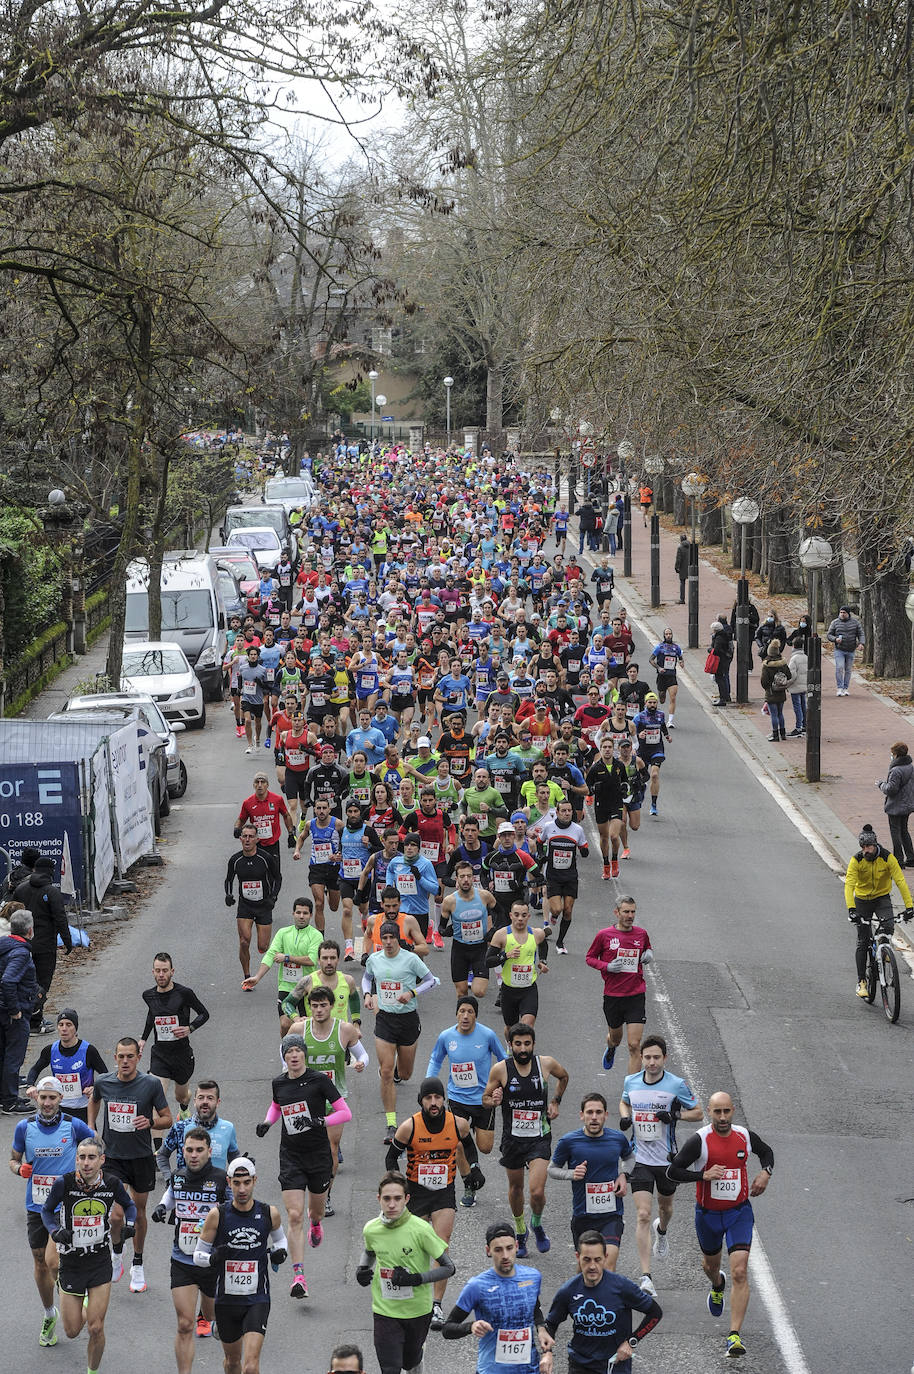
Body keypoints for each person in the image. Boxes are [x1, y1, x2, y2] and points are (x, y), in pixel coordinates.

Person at [667, 1092, 775, 1360]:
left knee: (739, 1270)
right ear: (710, 1113)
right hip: (708, 1215)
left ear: (733, 1110)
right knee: (710, 1266)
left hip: (738, 1213)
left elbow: (767, 1152)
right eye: (718, 1112)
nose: (723, 1117)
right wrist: (702, 1175)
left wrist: (766, 1172)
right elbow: (673, 1172)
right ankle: (717, 1285)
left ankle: (734, 1335)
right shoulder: (700, 1140)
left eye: (727, 1111)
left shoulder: (744, 1136)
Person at [254, 1032, 352, 1298]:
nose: (294, 1055)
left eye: (298, 1051)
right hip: (291, 1155)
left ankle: (316, 1222)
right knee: (294, 1215)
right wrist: (267, 1122)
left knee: (314, 1212)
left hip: (319, 1155)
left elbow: (345, 1112)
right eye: (289, 1052)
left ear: (304, 1055)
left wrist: (321, 1122)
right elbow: (276, 1106)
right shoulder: (279, 1083)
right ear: (284, 1057)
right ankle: (299, 1277)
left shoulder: (319, 1080)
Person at [386, 1077, 482, 1328]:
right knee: (414, 1248)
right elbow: (391, 1159)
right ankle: (411, 1298)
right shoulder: (410, 1127)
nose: (433, 1102)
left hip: (443, 1193)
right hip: (416, 1193)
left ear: (443, 1100)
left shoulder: (457, 1124)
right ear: (421, 1101)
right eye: (428, 1098)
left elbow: (469, 1147)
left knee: (441, 1247)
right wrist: (398, 1186)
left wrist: (473, 1170)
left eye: (437, 1097)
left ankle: (436, 1305)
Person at [10, 1075, 95, 1348]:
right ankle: (49, 1314)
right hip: (36, 1205)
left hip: (65, 1205)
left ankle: (75, 1294)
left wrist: (86, 1172)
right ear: (37, 1098)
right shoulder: (24, 1127)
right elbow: (14, 1159)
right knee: (39, 1263)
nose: (47, 1102)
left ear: (60, 1100)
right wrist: (19, 1168)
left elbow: (96, 1149)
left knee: (53, 1262)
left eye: (52, 1097)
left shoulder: (74, 1126)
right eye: (43, 1097)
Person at [41, 1134, 137, 1373]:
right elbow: (45, 1210)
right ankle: (78, 1298)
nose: (86, 1163)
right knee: (72, 1331)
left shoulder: (112, 1184)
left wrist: (131, 1224)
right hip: (72, 1262)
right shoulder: (64, 1183)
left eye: (91, 1158)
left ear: (101, 1160)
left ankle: (92, 1371)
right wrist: (55, 1230)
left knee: (96, 1328)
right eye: (82, 1157)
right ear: (76, 1160)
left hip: (99, 1261)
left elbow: (130, 1205)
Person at [89, 1035, 173, 1293]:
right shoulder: (104, 1081)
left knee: (137, 1212)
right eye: (121, 1056)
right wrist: (92, 1126)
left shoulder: (150, 1085)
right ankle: (116, 1254)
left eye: (130, 1056)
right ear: (115, 1058)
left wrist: (150, 1123)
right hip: (113, 1158)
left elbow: (167, 1119)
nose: (125, 1061)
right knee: (115, 1214)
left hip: (141, 1157)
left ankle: (137, 1263)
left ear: (138, 1058)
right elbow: (94, 1099)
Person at [619, 1035, 702, 1296]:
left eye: (657, 1057)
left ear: (665, 1058)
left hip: (667, 1160)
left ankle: (662, 1231)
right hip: (639, 1158)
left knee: (665, 1208)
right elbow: (624, 1102)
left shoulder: (676, 1084)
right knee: (643, 1214)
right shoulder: (631, 1081)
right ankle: (646, 1277)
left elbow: (698, 1112)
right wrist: (625, 1117)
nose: (652, 1062)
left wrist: (675, 1115)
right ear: (641, 1058)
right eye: (647, 1057)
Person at [192, 1157, 287, 1374]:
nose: (242, 1189)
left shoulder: (268, 1213)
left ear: (255, 1180)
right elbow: (198, 1254)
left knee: (250, 1366)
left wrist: (280, 1253)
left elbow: (280, 1240)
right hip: (226, 1300)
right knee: (233, 1363)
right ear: (229, 1182)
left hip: (258, 1298)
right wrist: (213, 1258)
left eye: (246, 1182)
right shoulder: (218, 1215)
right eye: (236, 1183)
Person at [357, 1170, 456, 1374]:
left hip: (417, 1311)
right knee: (391, 1368)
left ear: (407, 1199)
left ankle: (417, 1359)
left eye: (397, 1198)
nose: (392, 1204)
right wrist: (362, 1269)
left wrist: (416, 1279)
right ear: (379, 1199)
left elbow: (449, 1268)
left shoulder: (421, 1229)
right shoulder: (371, 1229)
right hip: (384, 1310)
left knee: (410, 1363)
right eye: (386, 1199)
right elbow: (369, 1251)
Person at [482, 1022, 568, 1256]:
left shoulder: (546, 1064)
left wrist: (555, 1101)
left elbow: (564, 1077)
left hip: (539, 1137)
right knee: (516, 1188)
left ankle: (536, 1224)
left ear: (533, 1044)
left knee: (537, 1191)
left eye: (527, 1044)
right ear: (510, 1045)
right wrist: (495, 1099)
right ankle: (521, 1232)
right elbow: (485, 1099)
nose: (522, 1048)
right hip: (512, 1139)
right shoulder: (501, 1069)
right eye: (517, 1044)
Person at [286, 984, 367, 1213]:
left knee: (330, 1149)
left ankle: (325, 1194)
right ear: (309, 1007)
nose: (319, 1010)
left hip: (334, 1100)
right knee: (302, 1149)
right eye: (314, 1006)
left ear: (332, 1006)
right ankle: (304, 1187)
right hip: (305, 1099)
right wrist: (287, 1073)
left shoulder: (345, 1030)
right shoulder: (299, 1029)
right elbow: (284, 1054)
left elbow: (363, 1054)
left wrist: (362, 1063)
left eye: (323, 1005)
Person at [152, 1125, 228, 1356]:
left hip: (212, 1260)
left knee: (213, 1314)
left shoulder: (221, 1179)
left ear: (209, 1151)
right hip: (182, 1258)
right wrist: (162, 1206)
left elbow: (235, 1210)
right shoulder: (178, 1176)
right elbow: (172, 1194)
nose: (193, 1155)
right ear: (182, 1151)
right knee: (184, 1325)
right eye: (189, 1150)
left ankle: (210, 1318)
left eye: (199, 1150)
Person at [441, 1220, 555, 1373]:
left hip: (529, 1369)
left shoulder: (532, 1278)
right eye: (498, 1250)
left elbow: (533, 1307)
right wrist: (471, 1326)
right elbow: (447, 1329)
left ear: (516, 1246)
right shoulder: (477, 1286)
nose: (505, 1255)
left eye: (509, 1248)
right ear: (488, 1251)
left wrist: (541, 1328)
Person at [545, 1230, 663, 1373]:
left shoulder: (621, 1287)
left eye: (597, 1259)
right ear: (578, 1257)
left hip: (615, 1365)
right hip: (580, 1365)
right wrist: (547, 1353)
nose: (592, 1266)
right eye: (587, 1259)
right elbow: (551, 1324)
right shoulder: (568, 1291)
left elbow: (655, 1312)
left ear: (605, 1258)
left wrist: (632, 1341)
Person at [426, 995, 506, 1203]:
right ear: (456, 1014)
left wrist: (503, 1086)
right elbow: (435, 1059)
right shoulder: (446, 1037)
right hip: (456, 1098)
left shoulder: (487, 1035)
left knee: (486, 1147)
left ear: (476, 1016)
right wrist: (429, 1086)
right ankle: (469, 1182)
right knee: (457, 1144)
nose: (465, 1016)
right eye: (462, 1011)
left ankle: (474, 1160)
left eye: (470, 1012)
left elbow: (504, 1060)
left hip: (483, 1099)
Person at [362, 922, 438, 1143]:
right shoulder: (374, 959)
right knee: (385, 1072)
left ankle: (396, 1072)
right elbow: (367, 978)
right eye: (383, 938)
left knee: (404, 1074)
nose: (387, 942)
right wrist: (367, 995)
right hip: (385, 1019)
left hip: (407, 1020)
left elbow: (431, 981)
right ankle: (391, 1124)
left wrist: (412, 993)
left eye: (390, 938)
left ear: (397, 939)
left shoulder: (410, 959)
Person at [548, 1092, 634, 1271]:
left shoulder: (617, 1139)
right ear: (582, 1115)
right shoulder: (569, 1141)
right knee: (586, 1270)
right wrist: (571, 1174)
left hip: (611, 1215)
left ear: (606, 1115)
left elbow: (630, 1158)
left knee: (608, 1265)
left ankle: (607, 1298)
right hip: (583, 1217)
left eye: (598, 1112)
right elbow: (552, 1169)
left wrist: (624, 1175)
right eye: (589, 1112)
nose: (594, 1117)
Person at [138, 952, 209, 1121]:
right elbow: (152, 1016)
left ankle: (184, 1108)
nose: (161, 975)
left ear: (172, 971)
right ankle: (157, 1147)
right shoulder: (148, 995)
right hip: (160, 1055)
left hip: (181, 1055)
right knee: (156, 1097)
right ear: (153, 972)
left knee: (181, 1096)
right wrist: (143, 1039)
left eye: (164, 970)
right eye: (158, 971)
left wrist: (189, 1028)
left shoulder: (184, 993)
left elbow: (204, 1014)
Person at [844, 823, 913, 997]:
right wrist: (851, 909)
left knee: (889, 926)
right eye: (863, 847)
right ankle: (861, 982)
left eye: (869, 846)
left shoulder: (888, 858)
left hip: (882, 898)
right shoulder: (857, 860)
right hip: (862, 901)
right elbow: (849, 885)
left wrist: (909, 906)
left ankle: (883, 949)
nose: (866, 850)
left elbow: (900, 881)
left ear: (875, 844)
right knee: (862, 941)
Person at [585, 895, 653, 1073]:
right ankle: (612, 1047)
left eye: (633, 912)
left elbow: (647, 948)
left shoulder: (641, 933)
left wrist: (649, 953)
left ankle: (632, 1092)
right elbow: (590, 958)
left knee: (634, 1045)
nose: (630, 916)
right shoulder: (604, 935)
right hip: (613, 996)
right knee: (616, 1038)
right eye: (626, 912)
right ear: (616, 913)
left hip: (636, 995)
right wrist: (606, 966)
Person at [241, 896, 323, 1028]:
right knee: (285, 1024)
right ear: (293, 914)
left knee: (307, 1027)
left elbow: (311, 960)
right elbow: (271, 955)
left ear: (311, 915)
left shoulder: (316, 935)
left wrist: (287, 958)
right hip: (286, 987)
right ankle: (286, 1048)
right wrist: (257, 977)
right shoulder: (283, 933)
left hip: (308, 988)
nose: (301, 916)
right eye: (298, 912)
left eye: (305, 913)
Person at [15, 855, 72, 1032]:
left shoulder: (21, 889)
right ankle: (35, 1023)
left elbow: (11, 913)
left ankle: (24, 1018)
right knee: (42, 984)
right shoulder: (51, 892)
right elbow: (60, 918)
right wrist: (68, 941)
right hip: (45, 947)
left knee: (25, 983)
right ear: (50, 872)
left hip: (22, 945)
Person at [25, 1008, 107, 1122]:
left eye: (69, 1025)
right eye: (61, 1024)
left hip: (84, 1108)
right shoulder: (50, 1050)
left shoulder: (88, 1050)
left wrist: (95, 1088)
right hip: (59, 1107)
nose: (64, 1029)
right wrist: (30, 1086)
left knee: (87, 1139)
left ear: (75, 1028)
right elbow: (35, 1069)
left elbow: (106, 1075)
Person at [224, 823, 278, 979]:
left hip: (264, 905)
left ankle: (260, 950)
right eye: (245, 836)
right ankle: (247, 975)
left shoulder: (265, 858)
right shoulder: (235, 859)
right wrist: (228, 895)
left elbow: (277, 878)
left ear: (257, 839)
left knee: (263, 947)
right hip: (245, 905)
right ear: (240, 839)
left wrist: (273, 897)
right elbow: (228, 880)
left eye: (251, 836)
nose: (247, 840)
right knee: (244, 942)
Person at [535, 799, 589, 953]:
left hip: (570, 875)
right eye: (563, 811)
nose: (567, 814)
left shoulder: (577, 829)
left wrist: (584, 850)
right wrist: (540, 854)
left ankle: (560, 942)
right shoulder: (548, 827)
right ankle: (553, 915)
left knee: (568, 910)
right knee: (557, 909)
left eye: (569, 811)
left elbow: (584, 848)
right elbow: (539, 842)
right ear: (557, 813)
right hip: (553, 875)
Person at [485, 901, 550, 1030]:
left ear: (528, 916)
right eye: (517, 915)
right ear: (511, 916)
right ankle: (510, 1047)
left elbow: (543, 944)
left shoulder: (536, 934)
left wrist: (543, 961)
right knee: (511, 1028)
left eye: (524, 915)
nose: (520, 918)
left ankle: (525, 1050)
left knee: (527, 1025)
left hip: (529, 989)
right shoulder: (501, 935)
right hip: (509, 990)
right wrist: (505, 955)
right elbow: (488, 961)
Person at [0, 907, 39, 1113]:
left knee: (3, 1055)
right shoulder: (21, 953)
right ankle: (10, 1101)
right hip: (13, 1012)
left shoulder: (4, 945)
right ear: (30, 931)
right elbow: (8, 980)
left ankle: (5, 1096)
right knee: (13, 1057)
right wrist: (15, 1009)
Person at [157, 1080, 240, 1175]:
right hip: (186, 1188)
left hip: (217, 1188)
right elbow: (162, 1155)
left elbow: (234, 1157)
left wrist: (242, 1165)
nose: (205, 1102)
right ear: (195, 1101)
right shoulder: (181, 1128)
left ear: (218, 1102)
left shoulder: (227, 1128)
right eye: (201, 1098)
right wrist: (169, 1180)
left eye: (210, 1098)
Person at [440, 861, 497, 997]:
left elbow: (499, 912)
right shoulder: (449, 901)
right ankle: (467, 1017)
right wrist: (445, 931)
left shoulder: (484, 896)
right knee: (462, 992)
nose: (466, 880)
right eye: (462, 876)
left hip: (480, 949)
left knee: (479, 991)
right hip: (460, 950)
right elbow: (441, 926)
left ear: (473, 877)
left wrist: (494, 929)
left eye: (469, 876)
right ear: (457, 879)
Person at [586, 739, 629, 880]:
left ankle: (615, 860)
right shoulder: (595, 768)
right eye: (604, 747)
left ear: (613, 749)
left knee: (613, 836)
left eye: (610, 747)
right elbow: (588, 789)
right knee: (604, 837)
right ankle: (606, 865)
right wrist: (593, 789)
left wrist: (624, 788)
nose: (607, 749)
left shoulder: (619, 765)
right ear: (601, 749)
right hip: (601, 805)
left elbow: (625, 782)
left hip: (616, 804)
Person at [877, 742, 914, 867]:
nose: (891, 756)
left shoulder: (896, 771)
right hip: (907, 805)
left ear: (896, 754)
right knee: (904, 830)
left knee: (895, 831)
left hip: (895, 806)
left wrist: (881, 784)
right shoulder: (910, 767)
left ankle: (898, 860)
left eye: (892, 753)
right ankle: (911, 857)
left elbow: (891, 789)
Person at [632, 693, 669, 818]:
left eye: (654, 703)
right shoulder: (639, 717)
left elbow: (662, 725)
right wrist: (638, 735)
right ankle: (642, 788)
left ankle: (653, 805)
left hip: (656, 749)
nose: (652, 705)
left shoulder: (661, 714)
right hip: (642, 750)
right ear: (645, 703)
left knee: (654, 775)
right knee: (640, 777)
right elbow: (630, 732)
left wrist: (667, 735)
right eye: (650, 702)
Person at [826, 604, 864, 696]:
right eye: (841, 612)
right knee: (839, 667)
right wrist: (835, 639)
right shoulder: (835, 622)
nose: (842, 614)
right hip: (839, 649)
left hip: (851, 649)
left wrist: (861, 643)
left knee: (848, 670)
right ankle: (839, 688)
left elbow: (861, 633)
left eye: (844, 613)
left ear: (848, 613)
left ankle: (845, 688)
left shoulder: (855, 622)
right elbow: (829, 635)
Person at [760, 643, 790, 742]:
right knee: (780, 713)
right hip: (781, 691)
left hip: (771, 692)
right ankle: (783, 733)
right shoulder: (783, 663)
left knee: (774, 714)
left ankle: (775, 734)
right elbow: (789, 675)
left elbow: (764, 681)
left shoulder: (767, 665)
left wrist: (768, 688)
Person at [709, 619, 733, 707]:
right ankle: (725, 696)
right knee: (722, 678)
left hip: (719, 661)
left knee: (720, 679)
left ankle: (723, 698)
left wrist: (710, 649)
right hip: (724, 660)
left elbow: (716, 650)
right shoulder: (724, 635)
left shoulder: (719, 638)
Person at [786, 639, 807, 735]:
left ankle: (798, 727)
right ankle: (804, 725)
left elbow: (792, 674)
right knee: (803, 705)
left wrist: (787, 684)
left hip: (795, 686)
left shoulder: (794, 659)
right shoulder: (805, 657)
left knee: (797, 706)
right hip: (803, 685)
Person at [674, 533, 689, 604]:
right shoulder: (691, 546)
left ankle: (682, 599)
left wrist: (677, 567)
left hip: (683, 567)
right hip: (691, 567)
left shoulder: (680, 548)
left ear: (680, 540)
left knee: (682, 583)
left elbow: (678, 559)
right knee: (693, 582)